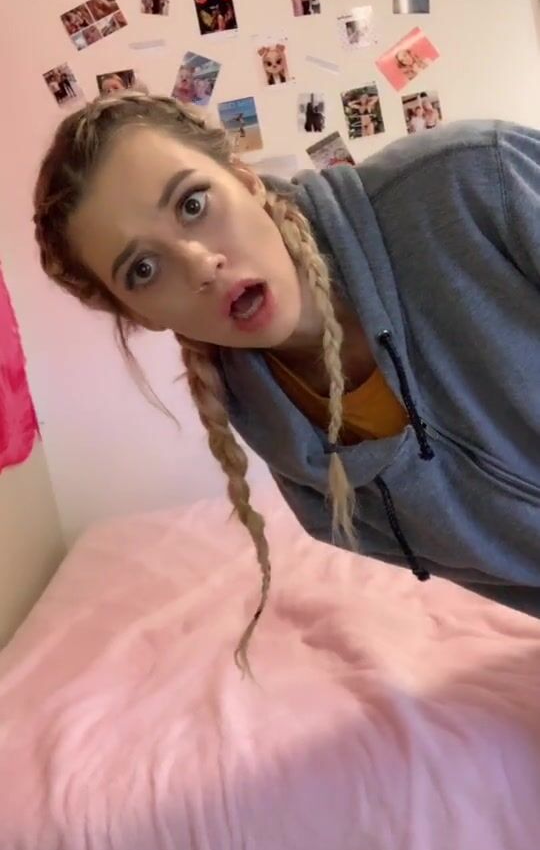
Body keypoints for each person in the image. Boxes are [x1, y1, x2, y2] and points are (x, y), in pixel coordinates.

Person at [33, 92, 540, 673]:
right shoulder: (284, 436)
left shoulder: (473, 180)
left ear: (244, 177)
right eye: (143, 269)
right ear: (139, 315)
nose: (200, 264)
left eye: (193, 204)